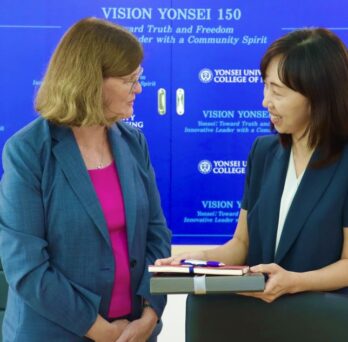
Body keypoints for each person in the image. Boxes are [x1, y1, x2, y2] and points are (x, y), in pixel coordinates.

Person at [0, 17, 171, 341]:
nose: (139, 89)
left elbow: (156, 233)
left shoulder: (134, 143)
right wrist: (99, 330)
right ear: (91, 82)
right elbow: (27, 266)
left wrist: (150, 313)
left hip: (135, 330)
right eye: (129, 80)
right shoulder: (28, 151)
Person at [157, 27, 348, 302]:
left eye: (277, 92)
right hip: (258, 320)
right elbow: (242, 244)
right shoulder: (263, 152)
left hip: (323, 319)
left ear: (318, 96)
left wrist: (295, 282)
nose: (265, 101)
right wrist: (198, 260)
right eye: (265, 86)